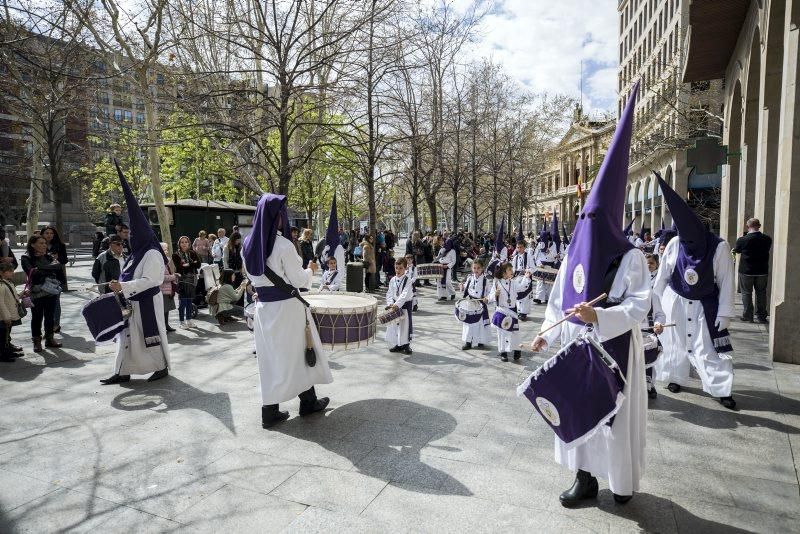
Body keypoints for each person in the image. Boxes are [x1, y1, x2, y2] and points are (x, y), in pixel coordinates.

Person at [529, 82, 648, 507]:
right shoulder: (573, 253)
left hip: (615, 348)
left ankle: (619, 481)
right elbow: (559, 298)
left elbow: (639, 304)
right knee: (581, 411)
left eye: (595, 217)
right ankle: (584, 478)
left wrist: (603, 317)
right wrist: (548, 332)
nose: (587, 224)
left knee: (614, 419)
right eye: (584, 217)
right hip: (579, 347)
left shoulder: (630, 256)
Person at [242, 193, 331, 428]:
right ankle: (308, 402)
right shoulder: (283, 246)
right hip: (287, 309)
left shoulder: (247, 244)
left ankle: (269, 411)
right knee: (300, 354)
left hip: (264, 310)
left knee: (269, 359)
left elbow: (252, 276)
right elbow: (300, 280)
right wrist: (311, 270)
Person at [653, 175, 737, 409]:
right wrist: (656, 306)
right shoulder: (674, 244)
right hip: (676, 301)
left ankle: (721, 387)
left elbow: (727, 281)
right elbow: (662, 277)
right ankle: (675, 378)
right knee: (674, 342)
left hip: (705, 305)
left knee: (707, 346)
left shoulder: (719, 246)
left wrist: (725, 313)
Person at [100, 163, 170, 385]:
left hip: (147, 301)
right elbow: (128, 276)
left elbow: (152, 280)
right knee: (127, 338)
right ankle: (122, 371)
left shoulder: (151, 253)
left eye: (133, 234)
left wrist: (125, 287)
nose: (130, 238)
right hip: (131, 303)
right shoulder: (136, 253)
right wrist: (117, 286)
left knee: (150, 336)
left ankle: (160, 366)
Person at [21, 235, 64, 352]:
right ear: (32, 244)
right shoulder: (26, 257)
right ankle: (37, 341)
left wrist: (41, 268)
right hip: (37, 292)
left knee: (50, 316)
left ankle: (50, 339)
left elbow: (58, 267)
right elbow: (33, 273)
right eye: (40, 243)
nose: (44, 245)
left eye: (45, 243)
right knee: (37, 317)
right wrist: (48, 268)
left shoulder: (48, 256)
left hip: (52, 292)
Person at [733, 218, 772, 323]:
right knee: (761, 293)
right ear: (759, 226)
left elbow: (737, 250)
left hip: (746, 271)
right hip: (762, 270)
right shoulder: (767, 239)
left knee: (746, 293)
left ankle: (748, 316)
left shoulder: (742, 240)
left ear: (747, 226)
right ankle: (762, 316)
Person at [491, 262, 531, 362]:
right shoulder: (496, 283)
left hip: (512, 310)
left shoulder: (513, 282)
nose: (512, 271)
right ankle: (503, 352)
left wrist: (526, 278)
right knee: (502, 332)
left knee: (515, 332)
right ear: (504, 272)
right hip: (502, 310)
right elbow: (490, 296)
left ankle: (517, 350)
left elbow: (521, 287)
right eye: (509, 270)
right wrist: (494, 294)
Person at [644, 253, 666, 400]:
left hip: (647, 333)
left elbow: (660, 314)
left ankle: (649, 386)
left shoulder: (651, 294)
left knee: (649, 363)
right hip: (627, 334)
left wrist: (658, 324)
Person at [459, 258, 491, 350]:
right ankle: (468, 342)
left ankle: (481, 341)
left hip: (480, 304)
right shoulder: (469, 278)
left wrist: (487, 298)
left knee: (480, 324)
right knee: (469, 323)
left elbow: (490, 292)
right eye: (474, 268)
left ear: (482, 269)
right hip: (470, 303)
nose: (476, 270)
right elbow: (466, 288)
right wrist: (462, 287)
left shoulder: (486, 281)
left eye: (478, 268)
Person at [385, 257, 413, 355]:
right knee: (396, 325)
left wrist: (397, 304)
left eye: (401, 268)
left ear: (405, 269)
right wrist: (390, 304)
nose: (398, 270)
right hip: (395, 305)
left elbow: (404, 294)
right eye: (396, 268)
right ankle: (398, 344)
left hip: (405, 304)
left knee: (405, 325)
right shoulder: (392, 279)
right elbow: (389, 293)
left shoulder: (407, 280)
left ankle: (406, 345)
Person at [42, 226, 67, 332]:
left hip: (57, 276)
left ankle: (56, 324)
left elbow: (65, 259)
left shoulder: (60, 245)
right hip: (43, 277)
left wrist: (57, 259)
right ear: (42, 234)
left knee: (56, 301)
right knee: (45, 302)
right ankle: (48, 323)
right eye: (46, 233)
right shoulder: (39, 245)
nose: (49, 235)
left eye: (51, 233)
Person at [172, 235, 201, 328]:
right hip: (182, 279)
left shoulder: (193, 253)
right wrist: (193, 264)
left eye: (186, 242)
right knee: (183, 302)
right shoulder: (175, 254)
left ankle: (189, 320)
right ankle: (181, 322)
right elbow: (180, 267)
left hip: (192, 279)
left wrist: (188, 264)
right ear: (179, 244)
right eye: (182, 242)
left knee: (189, 301)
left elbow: (198, 264)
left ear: (189, 243)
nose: (184, 244)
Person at [0, 263, 22, 362]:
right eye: (9, 271)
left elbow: (12, 296)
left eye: (12, 271)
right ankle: (3, 354)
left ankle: (8, 350)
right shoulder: (1, 285)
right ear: (1, 273)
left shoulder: (8, 282)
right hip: (4, 317)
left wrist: (21, 295)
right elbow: (0, 303)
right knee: (2, 336)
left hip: (10, 313)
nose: (12, 273)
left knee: (7, 334)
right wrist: (6, 317)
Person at [511, 239, 532, 320]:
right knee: (518, 294)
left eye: (521, 247)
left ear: (524, 248)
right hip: (517, 277)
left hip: (525, 277)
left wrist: (528, 271)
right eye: (517, 247)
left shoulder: (528, 256)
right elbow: (512, 269)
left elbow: (533, 267)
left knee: (525, 295)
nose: (519, 249)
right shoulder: (515, 257)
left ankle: (523, 313)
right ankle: (519, 311)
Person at [160, 242, 178, 333]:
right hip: (163, 289)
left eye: (166, 249)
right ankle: (163, 327)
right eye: (164, 249)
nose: (166, 251)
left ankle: (166, 325)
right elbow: (161, 277)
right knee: (163, 309)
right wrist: (173, 276)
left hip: (167, 288)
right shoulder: (160, 262)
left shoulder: (166, 261)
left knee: (166, 309)